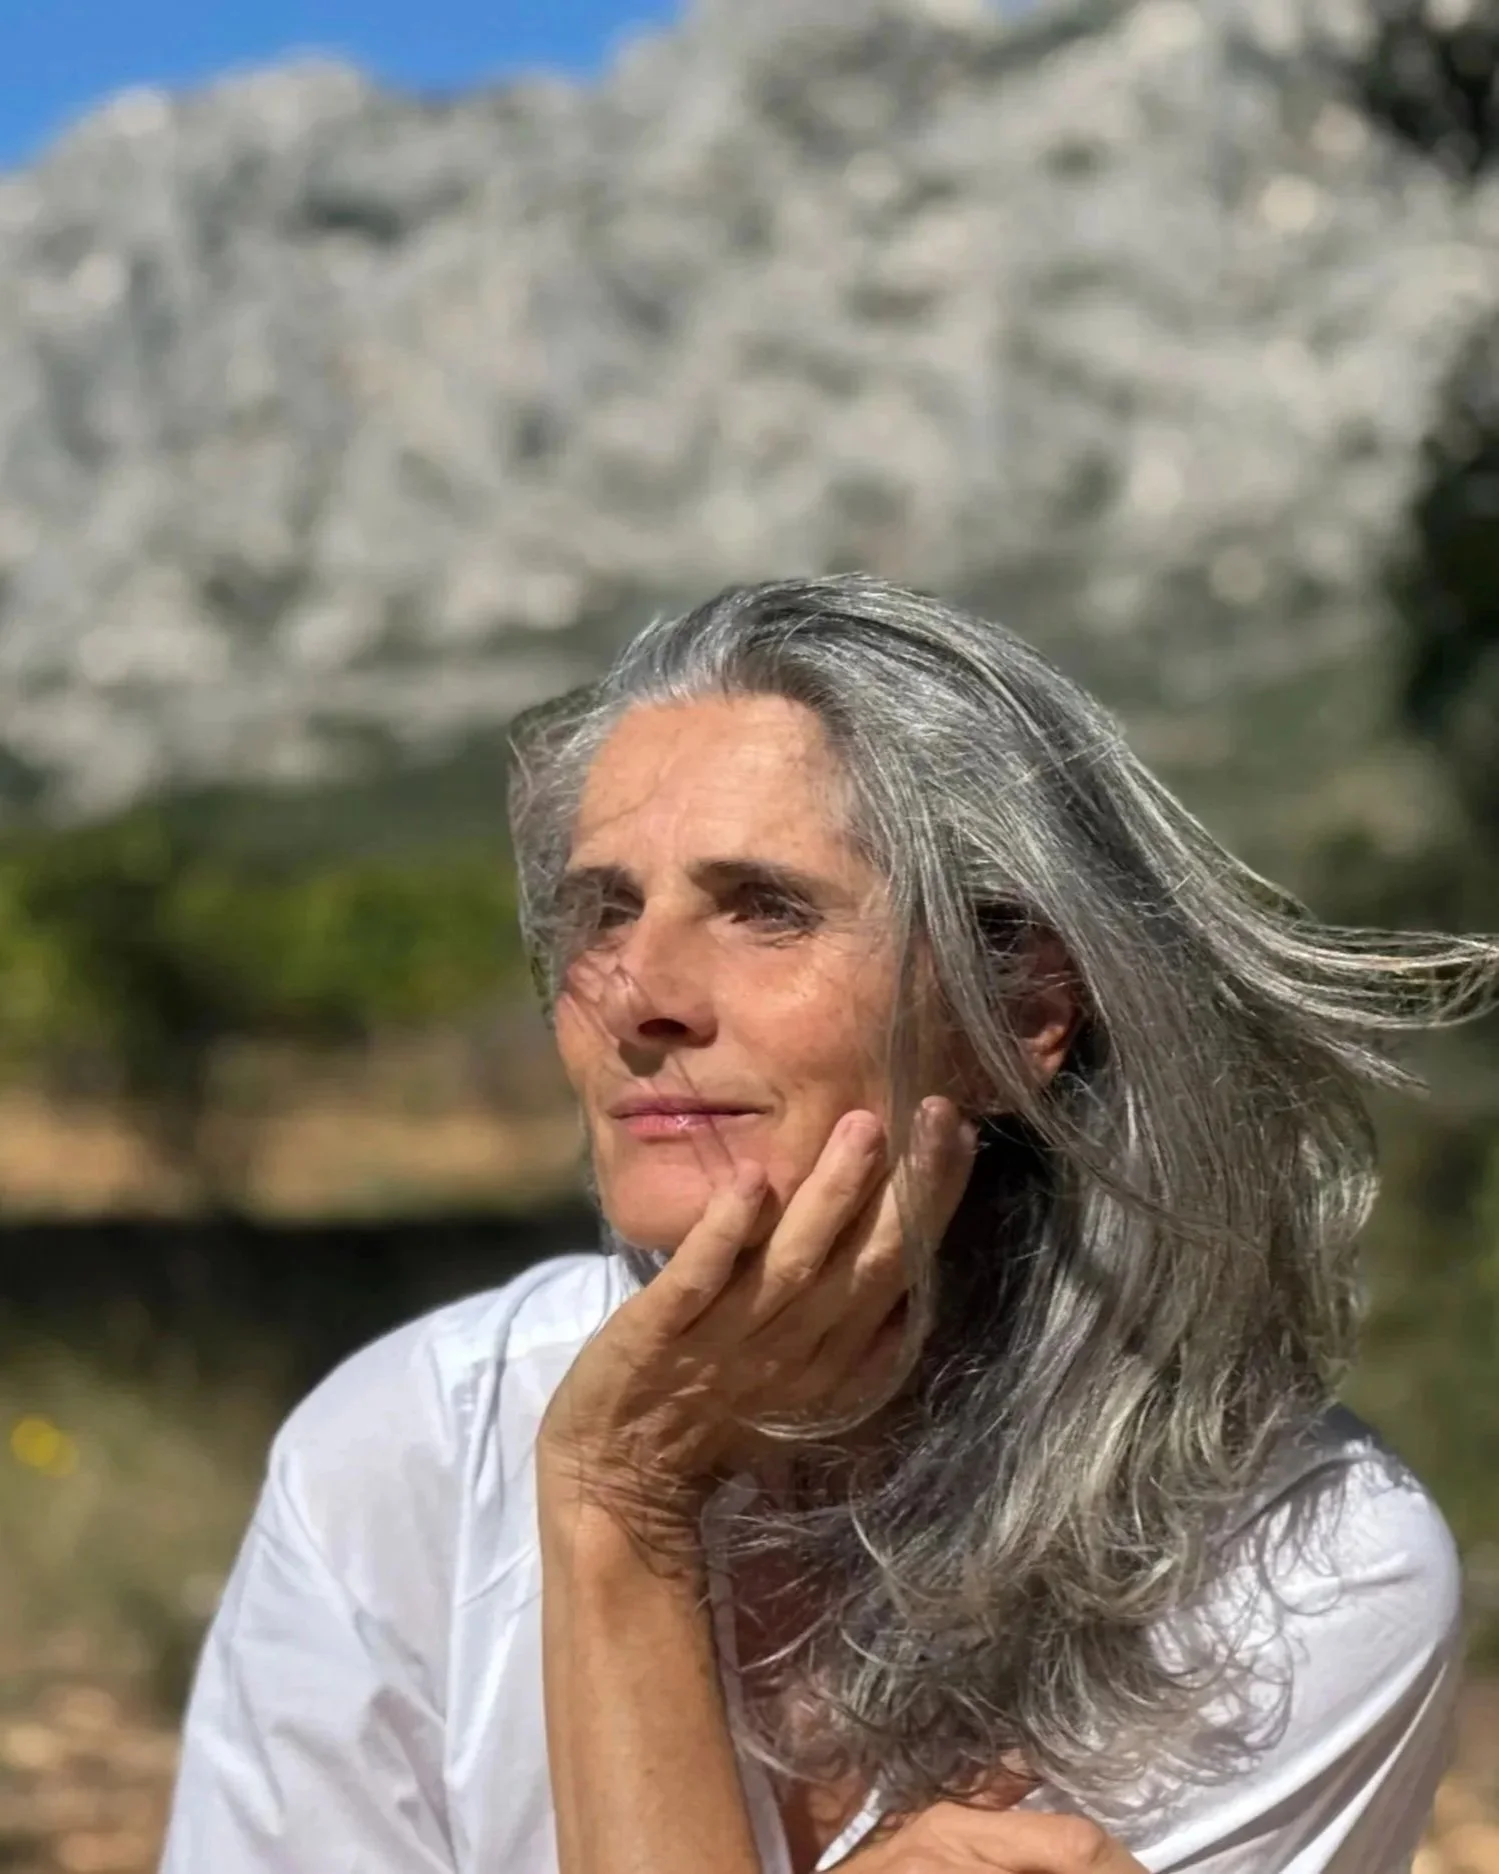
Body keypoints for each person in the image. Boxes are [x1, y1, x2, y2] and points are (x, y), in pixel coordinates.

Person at [159, 575, 1497, 1874]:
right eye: (605, 908)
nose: (641, 996)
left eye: (764, 908)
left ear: (1021, 1014)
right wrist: (618, 1494)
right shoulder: (413, 1448)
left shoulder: (1295, 1571)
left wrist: (623, 1509)